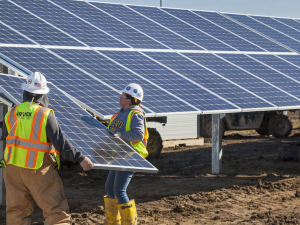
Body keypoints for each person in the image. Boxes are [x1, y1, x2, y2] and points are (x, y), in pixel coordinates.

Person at [1, 72, 94, 225]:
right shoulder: (44, 114)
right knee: (56, 212)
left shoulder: (11, 113)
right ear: (43, 94)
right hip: (37, 168)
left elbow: (7, 137)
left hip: (12, 170)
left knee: (16, 212)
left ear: (25, 92)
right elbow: (60, 143)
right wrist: (80, 158)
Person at [104, 83, 149, 225]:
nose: (120, 97)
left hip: (130, 157)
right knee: (109, 188)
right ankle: (113, 222)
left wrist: (120, 134)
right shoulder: (118, 115)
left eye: (123, 95)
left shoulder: (136, 115)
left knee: (119, 189)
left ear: (129, 99)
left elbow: (138, 135)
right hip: (118, 156)